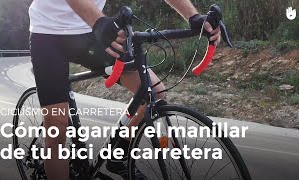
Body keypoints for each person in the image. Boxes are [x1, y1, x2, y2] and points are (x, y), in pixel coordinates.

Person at [28, 0, 221, 179]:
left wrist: (193, 16)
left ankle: (118, 154)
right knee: (56, 130)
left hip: (92, 32)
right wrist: (99, 21)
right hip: (49, 35)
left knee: (154, 91)